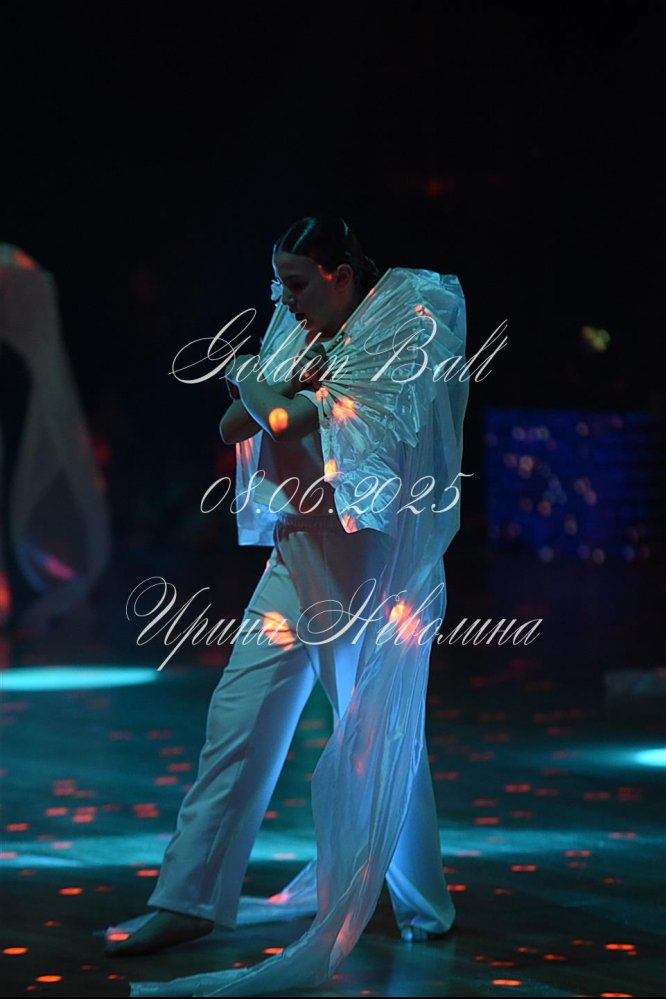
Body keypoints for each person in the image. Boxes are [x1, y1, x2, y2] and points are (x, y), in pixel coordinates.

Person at [103, 215, 469, 996]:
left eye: (298, 283)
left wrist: (255, 375)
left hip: (355, 562)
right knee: (236, 718)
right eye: (281, 284)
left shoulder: (390, 332)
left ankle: (422, 901)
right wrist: (267, 378)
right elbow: (236, 420)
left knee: (373, 728)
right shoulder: (303, 332)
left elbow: (279, 417)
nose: (286, 300)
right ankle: (186, 899)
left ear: (340, 274)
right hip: (293, 551)